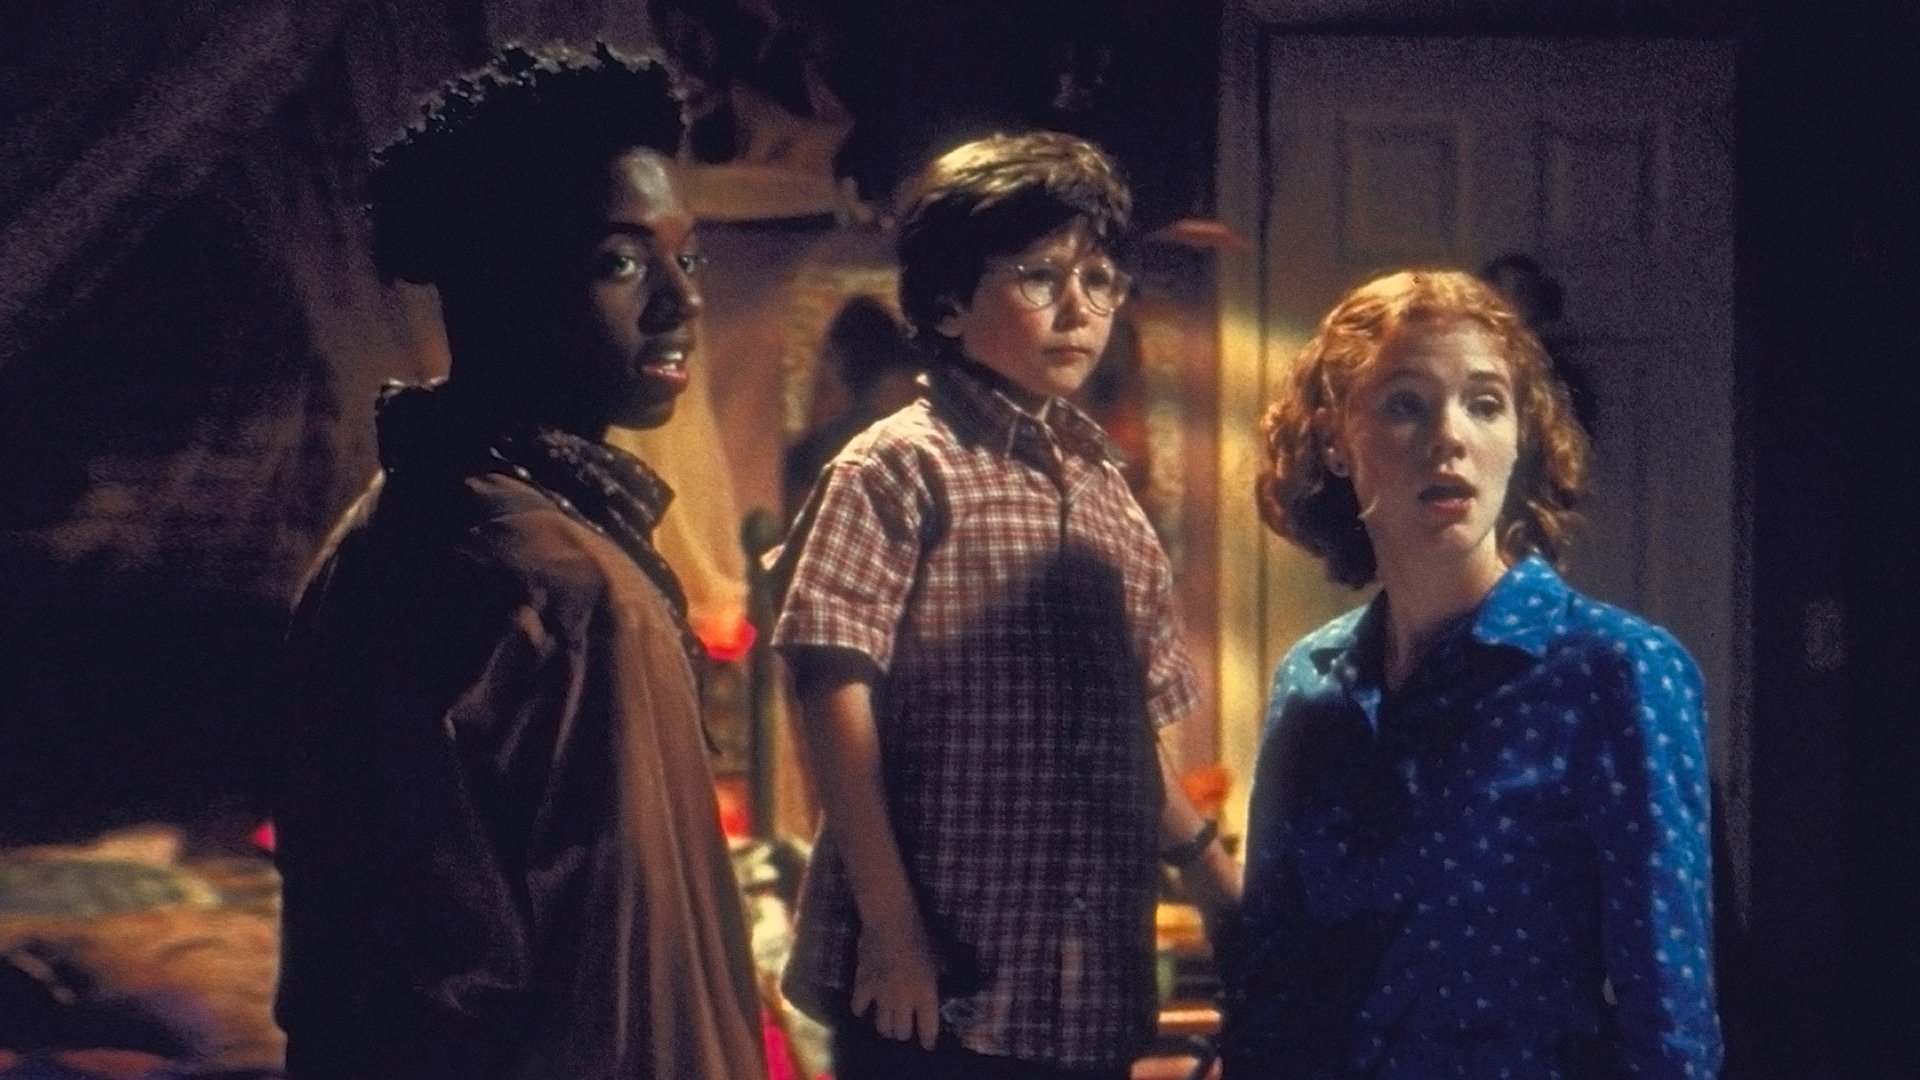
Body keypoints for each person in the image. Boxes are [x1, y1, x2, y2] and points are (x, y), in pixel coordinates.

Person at [272, 43, 766, 1080]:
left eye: (687, 258)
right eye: (621, 262)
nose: (681, 301)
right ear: (502, 282)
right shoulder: (560, 590)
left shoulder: (393, 525)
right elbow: (597, 992)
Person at [766, 131, 1240, 1080]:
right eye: (1039, 277)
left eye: (1099, 280)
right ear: (948, 304)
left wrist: (1211, 875)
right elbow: (831, 687)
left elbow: (1127, 730)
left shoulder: (1108, 498)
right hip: (935, 976)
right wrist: (892, 925)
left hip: (1082, 985)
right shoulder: (899, 465)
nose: (1079, 309)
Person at [1222, 269, 1721, 1077]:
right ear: (1334, 441)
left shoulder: (1614, 672)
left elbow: (1670, 1013)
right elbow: (1272, 981)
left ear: (1521, 438)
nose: (1449, 436)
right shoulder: (1312, 681)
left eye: (1485, 404)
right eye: (1406, 405)